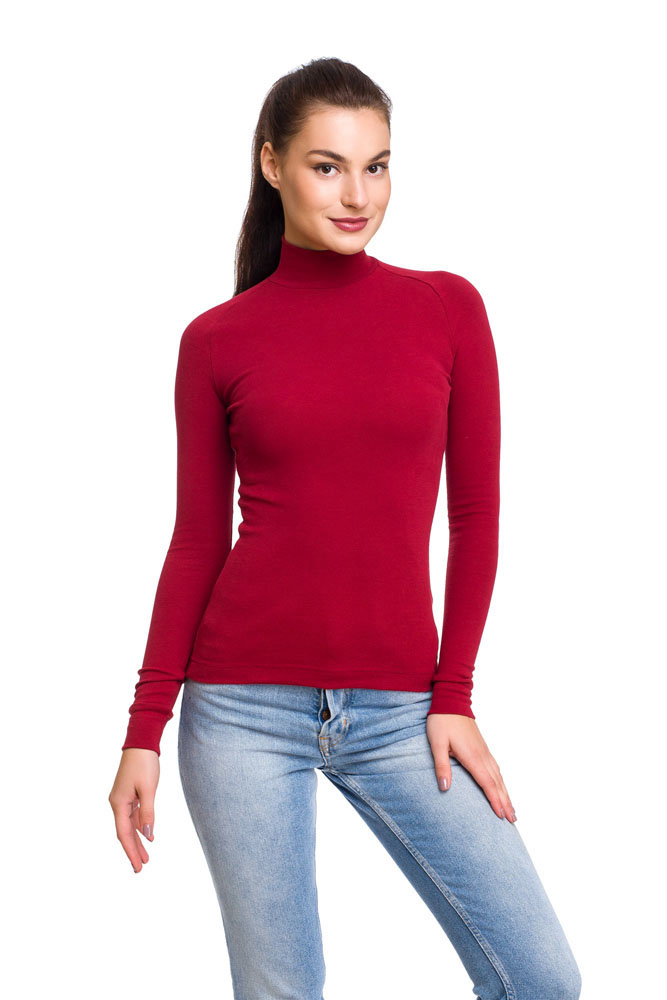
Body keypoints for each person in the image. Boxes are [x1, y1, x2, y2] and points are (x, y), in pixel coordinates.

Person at [109, 56, 582, 1000]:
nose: (357, 195)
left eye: (376, 166)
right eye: (327, 167)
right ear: (272, 164)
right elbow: (196, 540)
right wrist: (143, 728)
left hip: (403, 710)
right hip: (240, 710)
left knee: (541, 978)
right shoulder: (216, 339)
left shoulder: (447, 308)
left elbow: (476, 515)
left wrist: (453, 693)